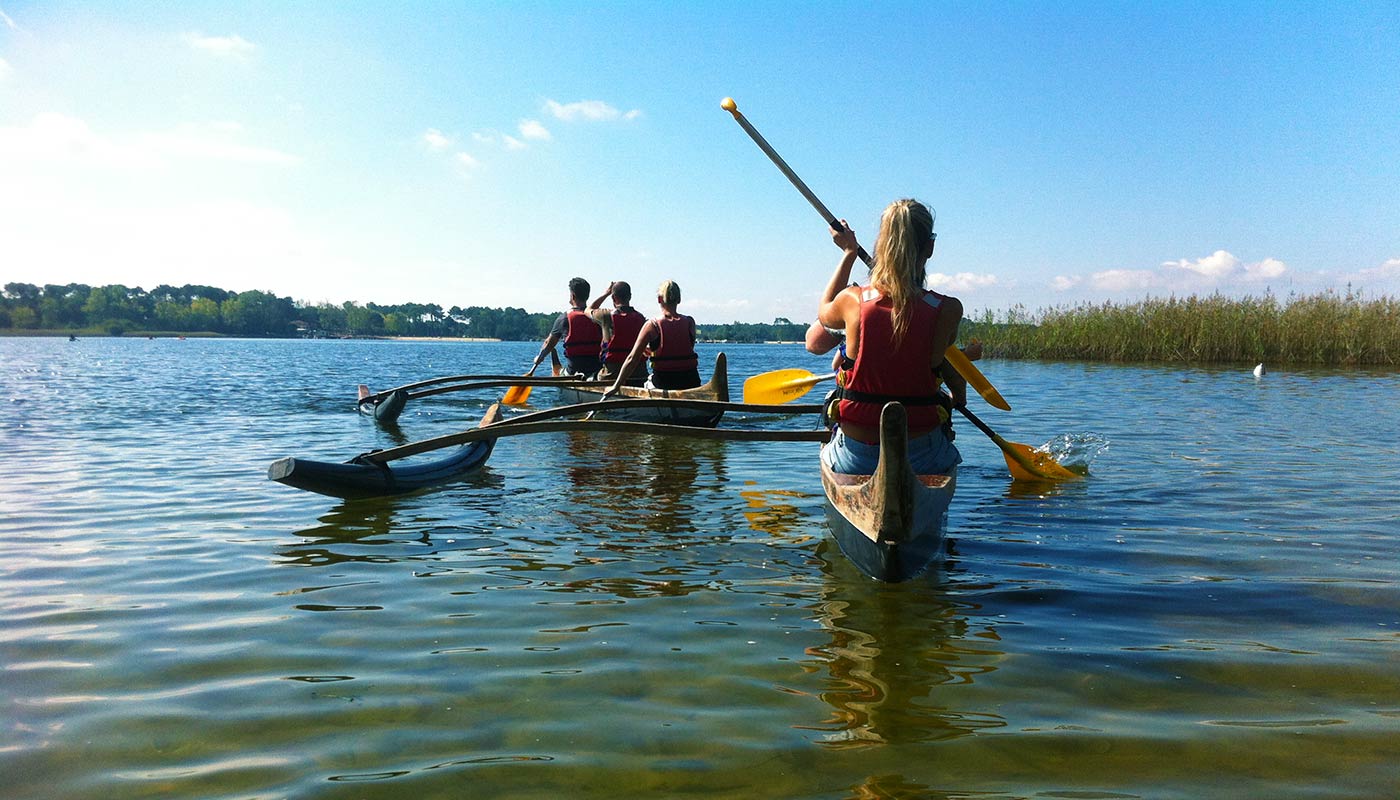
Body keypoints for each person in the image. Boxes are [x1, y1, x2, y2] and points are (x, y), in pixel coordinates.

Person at [818, 198, 964, 476]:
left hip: (857, 454)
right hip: (923, 453)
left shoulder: (852, 301)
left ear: (880, 247)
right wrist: (959, 395)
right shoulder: (948, 310)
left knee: (830, 439)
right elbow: (937, 357)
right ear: (930, 247)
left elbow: (824, 313)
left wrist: (849, 252)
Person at [602, 280, 700, 395]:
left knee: (646, 383)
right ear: (679, 299)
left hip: (663, 382)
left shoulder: (652, 325)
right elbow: (683, 349)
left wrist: (615, 386)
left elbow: (632, 359)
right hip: (691, 380)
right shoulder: (690, 322)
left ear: (659, 299)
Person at [528, 277, 603, 377]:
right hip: (597, 371)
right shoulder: (598, 317)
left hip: (573, 372)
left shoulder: (564, 318)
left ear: (572, 296)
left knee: (557, 367)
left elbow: (548, 344)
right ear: (587, 296)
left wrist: (539, 358)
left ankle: (560, 374)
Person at [587, 280, 648, 385]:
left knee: (591, 377)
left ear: (613, 298)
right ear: (630, 297)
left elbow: (588, 309)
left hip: (611, 375)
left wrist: (606, 293)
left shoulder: (605, 315)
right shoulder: (641, 318)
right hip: (639, 375)